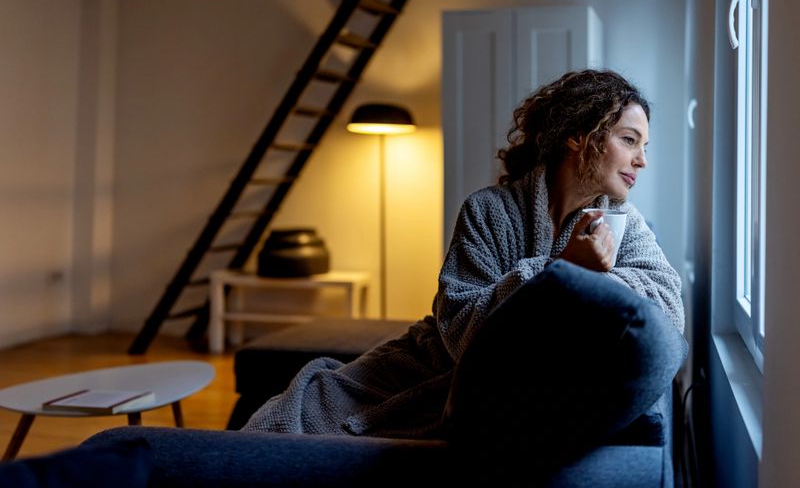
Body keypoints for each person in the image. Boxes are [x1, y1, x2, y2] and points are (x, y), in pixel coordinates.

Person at [242, 68, 685, 439]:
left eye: (644, 146)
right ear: (577, 138)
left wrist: (583, 276)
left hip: (502, 390)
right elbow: (460, 328)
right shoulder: (487, 210)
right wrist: (562, 269)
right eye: (630, 140)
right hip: (428, 362)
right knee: (292, 414)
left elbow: (668, 305)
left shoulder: (623, 222)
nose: (641, 160)